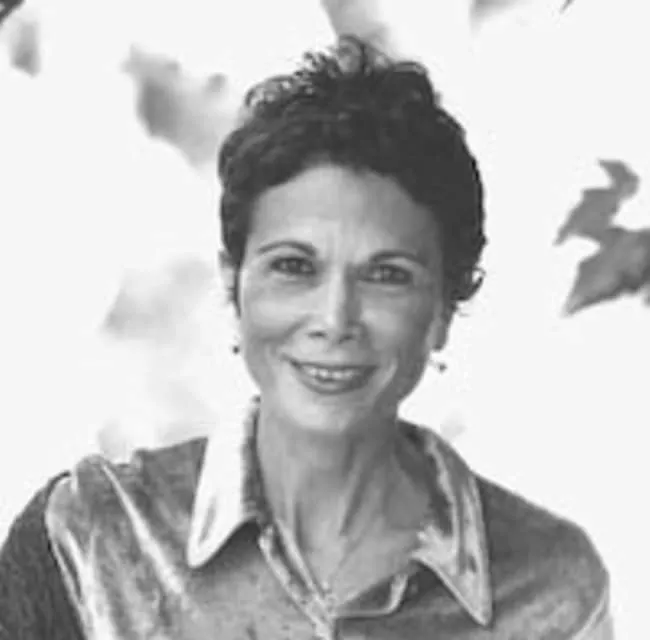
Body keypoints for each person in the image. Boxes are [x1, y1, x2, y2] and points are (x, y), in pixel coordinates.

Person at [0, 37, 612, 639]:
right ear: (234, 285)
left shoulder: (550, 591)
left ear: (446, 309)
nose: (335, 318)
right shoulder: (91, 539)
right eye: (294, 266)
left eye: (387, 275)